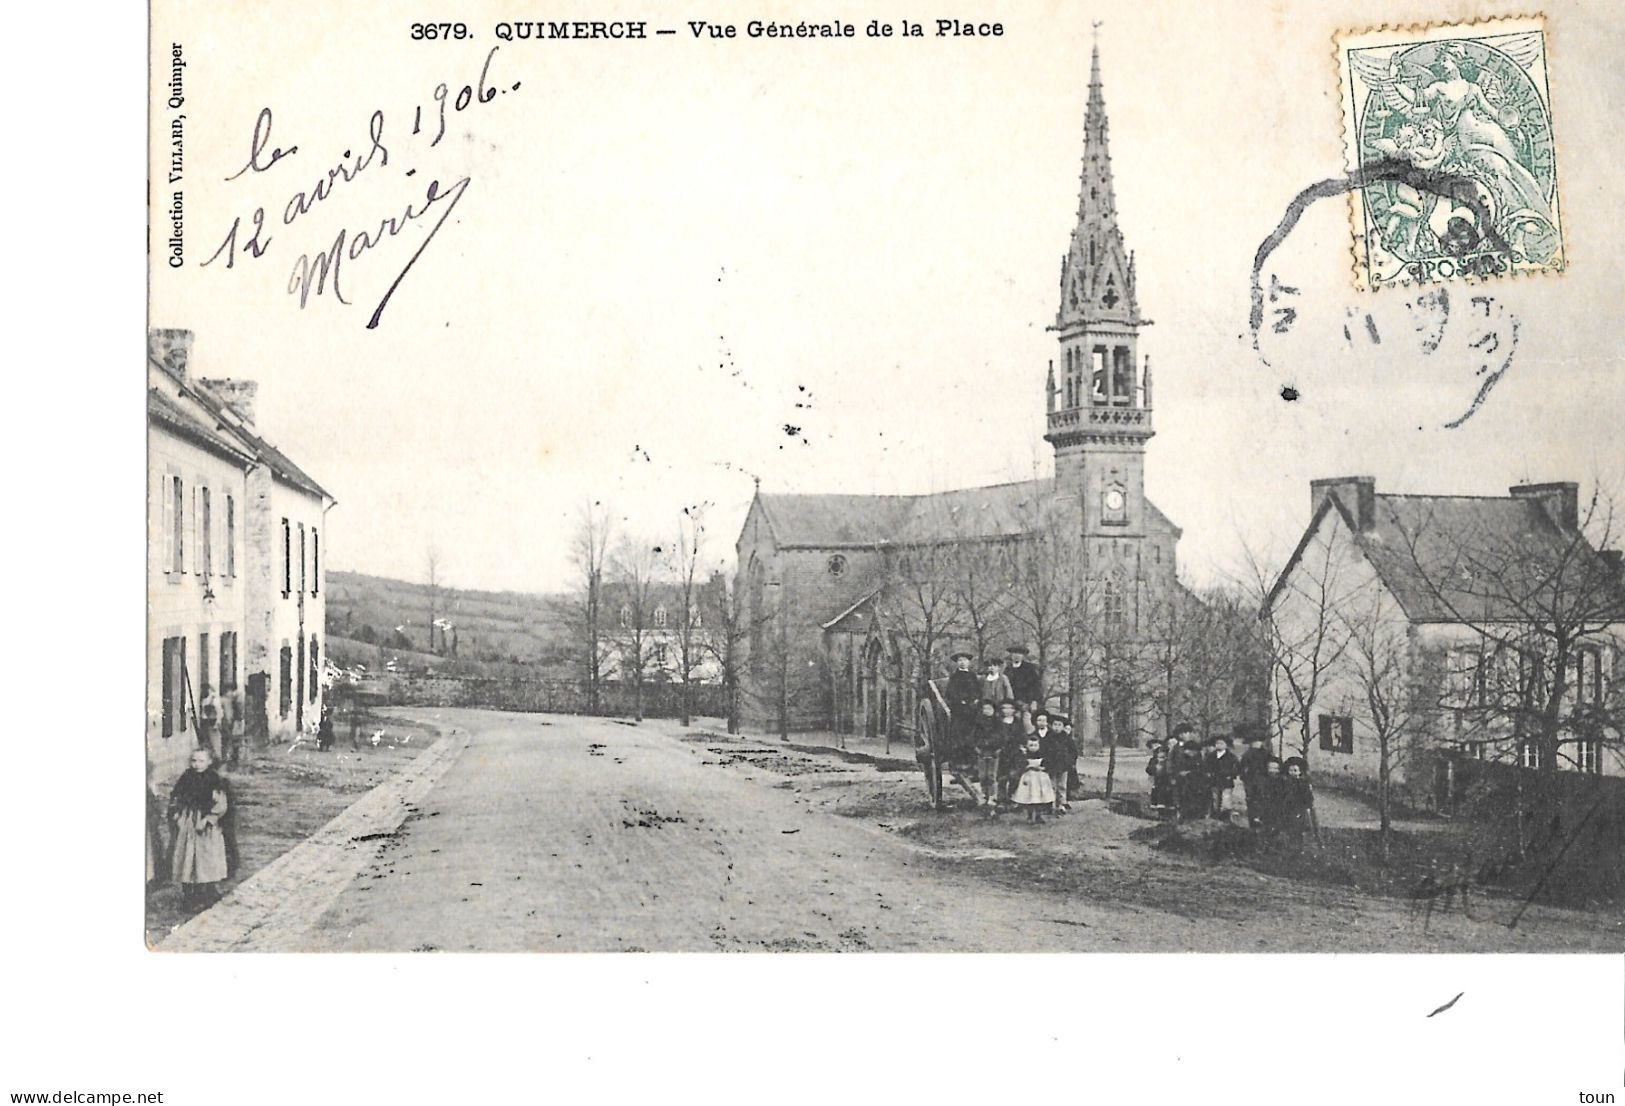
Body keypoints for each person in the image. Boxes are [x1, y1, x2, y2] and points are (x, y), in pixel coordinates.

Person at [169, 747, 230, 907]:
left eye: (201, 761)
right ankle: (189, 893)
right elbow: (176, 797)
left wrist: (208, 819)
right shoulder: (186, 778)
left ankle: (209, 891)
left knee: (206, 858)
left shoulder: (214, 780)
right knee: (187, 856)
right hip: (188, 823)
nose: (197, 764)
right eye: (194, 761)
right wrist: (177, 814)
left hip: (206, 827)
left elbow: (221, 805)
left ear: (210, 762)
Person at [943, 652, 982, 761]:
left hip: (973, 710)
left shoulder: (972, 675)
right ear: (957, 663)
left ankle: (972, 759)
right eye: (960, 660)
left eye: (965, 660)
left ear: (968, 662)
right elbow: (950, 693)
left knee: (973, 733)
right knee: (959, 736)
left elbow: (978, 691)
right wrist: (961, 701)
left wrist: (976, 700)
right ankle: (959, 761)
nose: (962, 662)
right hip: (959, 711)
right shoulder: (954, 676)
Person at [1037, 711, 1077, 815]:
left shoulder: (1067, 738)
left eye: (1059, 725)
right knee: (1052, 785)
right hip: (1051, 765)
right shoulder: (1048, 737)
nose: (1057, 727)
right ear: (1051, 725)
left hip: (1063, 765)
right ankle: (1052, 804)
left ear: (1063, 727)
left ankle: (1062, 804)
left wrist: (1070, 761)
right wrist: (1045, 762)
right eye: (1055, 724)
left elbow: (1073, 751)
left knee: (1062, 785)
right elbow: (1043, 750)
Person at [1010, 734, 1055, 824]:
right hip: (1029, 778)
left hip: (1040, 779)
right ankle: (1030, 816)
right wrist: (1027, 767)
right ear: (1027, 746)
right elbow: (1020, 766)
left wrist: (1043, 768)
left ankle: (1038, 816)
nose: (1033, 748)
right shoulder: (1024, 756)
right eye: (1031, 745)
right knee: (1028, 797)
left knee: (1040, 797)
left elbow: (1048, 765)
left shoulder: (1042, 755)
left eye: (1035, 745)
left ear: (1039, 746)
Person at [1278, 757, 1319, 848]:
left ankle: (1301, 844)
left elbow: (1308, 798)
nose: (1293, 773)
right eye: (1291, 770)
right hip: (1289, 809)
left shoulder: (1303, 784)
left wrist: (1307, 806)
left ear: (1300, 772)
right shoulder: (1286, 783)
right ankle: (1290, 844)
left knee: (1301, 828)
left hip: (1300, 809)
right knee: (1290, 828)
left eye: (1295, 770)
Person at [972, 700, 1003, 815]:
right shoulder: (979, 723)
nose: (987, 711)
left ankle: (992, 797)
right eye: (985, 709)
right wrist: (977, 748)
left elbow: (1001, 737)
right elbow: (974, 737)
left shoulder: (998, 722)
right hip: (982, 752)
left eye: (989, 709)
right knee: (982, 775)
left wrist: (997, 748)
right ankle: (984, 795)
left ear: (994, 710)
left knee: (991, 775)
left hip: (994, 752)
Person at [1237, 733, 1272, 828]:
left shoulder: (1265, 753)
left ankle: (1259, 819)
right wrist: (1244, 777)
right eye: (1255, 742)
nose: (1257, 744)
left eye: (1258, 742)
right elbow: (1241, 767)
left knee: (1260, 799)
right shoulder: (1248, 754)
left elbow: (1269, 766)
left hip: (1261, 780)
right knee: (1252, 799)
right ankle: (1254, 820)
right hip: (1252, 780)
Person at [1004, 645, 1042, 727]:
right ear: (1011, 655)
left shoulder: (1029, 668)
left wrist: (1034, 702)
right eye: (1014, 653)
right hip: (1011, 704)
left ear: (1023, 656)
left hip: (1026, 703)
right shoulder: (1007, 669)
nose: (1017, 656)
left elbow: (1036, 686)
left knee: (1027, 724)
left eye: (1020, 654)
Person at [1206, 735, 1241, 820]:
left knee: (1226, 799)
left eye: (1221, 743)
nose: (1219, 745)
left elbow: (1237, 768)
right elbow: (1206, 767)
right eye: (1217, 743)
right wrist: (1209, 774)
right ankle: (1215, 815)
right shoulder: (1211, 756)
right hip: (1214, 780)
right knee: (1215, 798)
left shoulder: (1231, 757)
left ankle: (1225, 817)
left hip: (1226, 781)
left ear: (1226, 745)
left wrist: (1231, 775)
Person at [1254, 757, 1284, 837]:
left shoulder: (1282, 781)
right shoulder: (1263, 781)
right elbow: (1258, 796)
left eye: (1275, 768)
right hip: (1265, 808)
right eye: (1270, 768)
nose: (1272, 771)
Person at [1145, 743, 1172, 813]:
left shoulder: (1168, 763)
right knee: (1155, 790)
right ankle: (1155, 804)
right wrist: (1154, 768)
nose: (1161, 759)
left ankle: (1164, 804)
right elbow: (1148, 770)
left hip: (1165, 780)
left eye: (1163, 757)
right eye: (1159, 757)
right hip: (1155, 780)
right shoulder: (1153, 761)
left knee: (1165, 790)